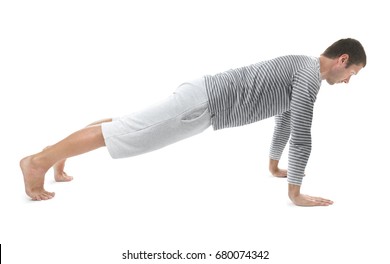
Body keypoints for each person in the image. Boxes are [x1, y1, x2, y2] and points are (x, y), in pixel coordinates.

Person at [20, 38, 366, 206]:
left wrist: (274, 166)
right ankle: (36, 163)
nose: (349, 81)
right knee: (127, 133)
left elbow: (286, 123)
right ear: (343, 59)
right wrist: (296, 193)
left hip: (202, 98)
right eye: (352, 73)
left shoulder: (302, 67)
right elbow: (303, 135)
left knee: (125, 123)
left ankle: (54, 153)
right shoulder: (308, 76)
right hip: (203, 106)